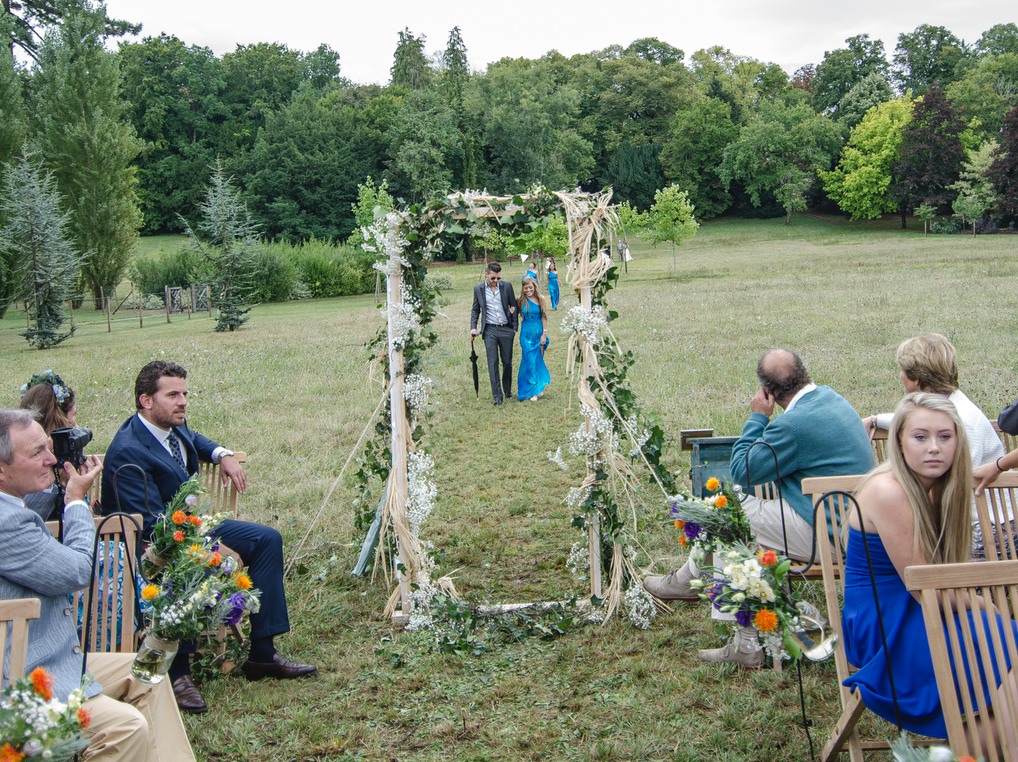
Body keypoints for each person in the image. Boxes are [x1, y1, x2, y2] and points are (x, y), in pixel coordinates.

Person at [101, 361, 316, 715]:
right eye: (173, 394)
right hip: (152, 549)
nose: (183, 401)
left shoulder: (170, 427)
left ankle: (263, 654)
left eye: (184, 393)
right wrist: (212, 548)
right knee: (188, 564)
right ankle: (180, 672)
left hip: (190, 529)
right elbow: (156, 532)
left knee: (266, 539)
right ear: (145, 400)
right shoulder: (129, 451)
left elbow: (195, 440)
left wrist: (222, 455)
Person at [643, 349, 874, 666]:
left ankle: (733, 630)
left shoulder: (793, 425)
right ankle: (736, 631)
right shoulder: (830, 398)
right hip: (849, 525)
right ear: (803, 371)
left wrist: (757, 417)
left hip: (826, 534)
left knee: (726, 517)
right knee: (733, 517)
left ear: (768, 392)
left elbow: (742, 471)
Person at [0, 408, 195, 762]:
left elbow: (28, 511)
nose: (51, 459)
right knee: (126, 727)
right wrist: (75, 503)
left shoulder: (11, 505)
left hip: (49, 659)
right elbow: (77, 571)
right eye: (37, 453)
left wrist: (63, 484)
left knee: (147, 670)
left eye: (50, 448)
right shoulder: (5, 523)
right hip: (21, 679)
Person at [842, 393, 1018, 741]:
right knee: (1005, 643)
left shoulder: (938, 487)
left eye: (945, 437)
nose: (933, 448)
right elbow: (928, 589)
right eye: (920, 437)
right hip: (885, 619)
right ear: (900, 442)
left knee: (1008, 659)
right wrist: (991, 610)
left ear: (958, 441)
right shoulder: (889, 491)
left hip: (926, 601)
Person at [861, 334, 1006, 555]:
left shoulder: (963, 422)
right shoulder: (950, 403)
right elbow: (915, 419)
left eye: (902, 371)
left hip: (988, 529)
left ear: (917, 380)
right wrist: (875, 420)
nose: (900, 377)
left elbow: (955, 488)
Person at [19, 371, 79, 521]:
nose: (75, 423)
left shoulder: (17, 455)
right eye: (74, 414)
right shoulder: (42, 474)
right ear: (64, 422)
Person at [470, 262, 518, 405]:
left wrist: (514, 327)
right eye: (493, 278)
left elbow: (513, 306)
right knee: (493, 363)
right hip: (489, 329)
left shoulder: (507, 286)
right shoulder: (478, 289)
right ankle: (497, 396)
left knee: (507, 362)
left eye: (498, 278)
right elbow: (475, 310)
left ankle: (507, 390)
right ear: (487, 274)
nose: (496, 281)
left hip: (506, 329)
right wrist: (473, 327)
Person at [516, 277, 551, 402]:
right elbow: (513, 311)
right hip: (526, 334)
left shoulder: (541, 299)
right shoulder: (520, 300)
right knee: (529, 361)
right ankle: (532, 391)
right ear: (523, 289)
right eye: (526, 288)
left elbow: (544, 317)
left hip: (539, 333)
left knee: (537, 361)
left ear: (534, 287)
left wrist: (544, 334)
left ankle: (538, 386)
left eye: (530, 287)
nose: (528, 290)